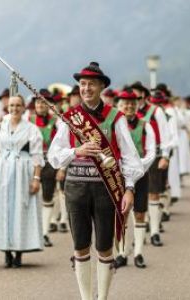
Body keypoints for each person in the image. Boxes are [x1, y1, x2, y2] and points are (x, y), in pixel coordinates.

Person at [48, 62, 143, 300]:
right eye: (82, 84)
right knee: (80, 246)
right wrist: (76, 151)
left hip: (106, 190)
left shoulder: (116, 117)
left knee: (104, 246)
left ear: (101, 86)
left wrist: (129, 188)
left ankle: (102, 298)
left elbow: (131, 158)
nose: (86, 88)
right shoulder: (69, 118)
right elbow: (53, 156)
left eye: (91, 84)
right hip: (76, 187)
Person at [0, 94, 45, 268]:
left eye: (18, 105)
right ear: (7, 107)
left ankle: (18, 252)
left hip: (23, 171)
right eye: (11, 105)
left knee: (20, 209)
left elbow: (37, 156)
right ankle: (6, 252)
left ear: (24, 107)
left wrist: (36, 178)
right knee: (3, 209)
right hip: (2, 171)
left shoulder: (31, 129)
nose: (14, 109)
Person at [114, 89, 155, 269]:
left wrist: (137, 168)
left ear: (137, 105)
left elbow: (151, 152)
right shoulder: (115, 125)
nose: (129, 107)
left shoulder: (146, 126)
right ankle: (122, 253)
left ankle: (138, 252)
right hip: (119, 175)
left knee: (139, 213)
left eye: (132, 104)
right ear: (119, 106)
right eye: (125, 104)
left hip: (140, 174)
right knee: (121, 214)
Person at [132, 81, 170, 246]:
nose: (134, 100)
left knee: (153, 193)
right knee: (134, 196)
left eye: (137, 96)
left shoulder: (156, 111)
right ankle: (140, 231)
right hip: (132, 159)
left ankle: (154, 231)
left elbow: (165, 134)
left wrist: (165, 156)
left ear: (144, 96)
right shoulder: (127, 113)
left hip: (153, 156)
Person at [29, 89, 62, 247]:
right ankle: (29, 233)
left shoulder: (57, 121)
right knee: (29, 198)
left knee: (47, 198)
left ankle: (44, 233)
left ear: (48, 104)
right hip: (30, 164)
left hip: (49, 164)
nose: (40, 105)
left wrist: (62, 167)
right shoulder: (28, 120)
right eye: (38, 102)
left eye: (43, 102)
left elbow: (63, 144)